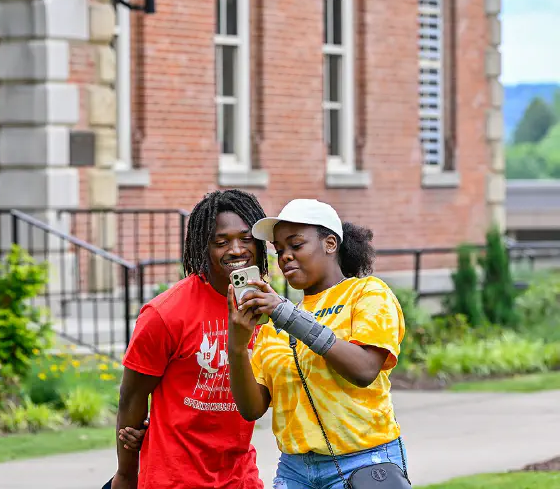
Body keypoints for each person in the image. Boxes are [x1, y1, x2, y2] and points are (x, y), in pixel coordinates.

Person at [228, 198, 409, 489]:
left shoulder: (367, 293)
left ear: (329, 243)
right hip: (294, 470)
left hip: (362, 462)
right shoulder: (274, 323)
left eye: (296, 245)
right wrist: (236, 347)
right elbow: (252, 408)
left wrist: (285, 313)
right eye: (279, 250)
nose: (285, 256)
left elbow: (363, 370)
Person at [110, 190, 269, 489]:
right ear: (202, 247)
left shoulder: (267, 310)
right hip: (174, 478)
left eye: (246, 239)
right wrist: (126, 474)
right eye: (221, 242)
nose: (236, 250)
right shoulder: (164, 314)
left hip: (241, 478)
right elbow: (131, 398)